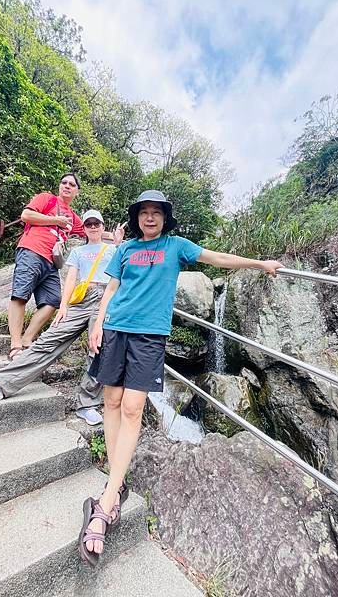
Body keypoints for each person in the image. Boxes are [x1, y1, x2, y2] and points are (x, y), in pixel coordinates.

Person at [78, 190, 283, 566]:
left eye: (156, 213)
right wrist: (97, 321)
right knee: (110, 401)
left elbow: (217, 258)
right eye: (144, 212)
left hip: (149, 336)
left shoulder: (176, 246)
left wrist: (260, 264)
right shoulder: (125, 250)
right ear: (137, 217)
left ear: (165, 217)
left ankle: (106, 500)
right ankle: (117, 478)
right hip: (115, 329)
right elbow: (111, 287)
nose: (150, 218)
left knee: (133, 407)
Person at [0, 210, 126, 426]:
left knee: (99, 349)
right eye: (88, 224)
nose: (93, 227)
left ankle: (87, 404)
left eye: (97, 223)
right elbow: (72, 278)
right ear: (83, 229)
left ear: (103, 227)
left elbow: (121, 275)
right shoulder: (79, 252)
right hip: (81, 301)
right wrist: (63, 307)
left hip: (105, 300)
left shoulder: (113, 249)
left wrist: (120, 245)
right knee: (48, 340)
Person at [7, 172, 85, 361]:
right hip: (32, 250)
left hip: (51, 262)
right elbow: (26, 215)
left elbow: (91, 231)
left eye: (72, 184)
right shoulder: (47, 199)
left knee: (53, 300)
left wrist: (116, 238)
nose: (67, 186)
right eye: (64, 182)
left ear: (77, 192)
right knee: (20, 295)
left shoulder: (73, 218)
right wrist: (55, 221)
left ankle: (27, 339)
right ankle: (15, 345)